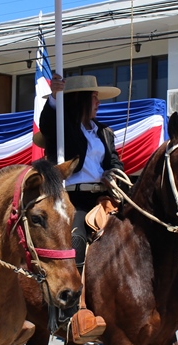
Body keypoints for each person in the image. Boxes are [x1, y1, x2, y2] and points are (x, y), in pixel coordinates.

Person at [40, 74, 123, 267]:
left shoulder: (104, 132)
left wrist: (113, 174)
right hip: (73, 199)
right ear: (80, 99)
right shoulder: (62, 128)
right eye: (94, 97)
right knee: (75, 241)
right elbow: (47, 124)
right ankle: (73, 283)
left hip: (103, 198)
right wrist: (54, 96)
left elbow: (114, 161)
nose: (98, 102)